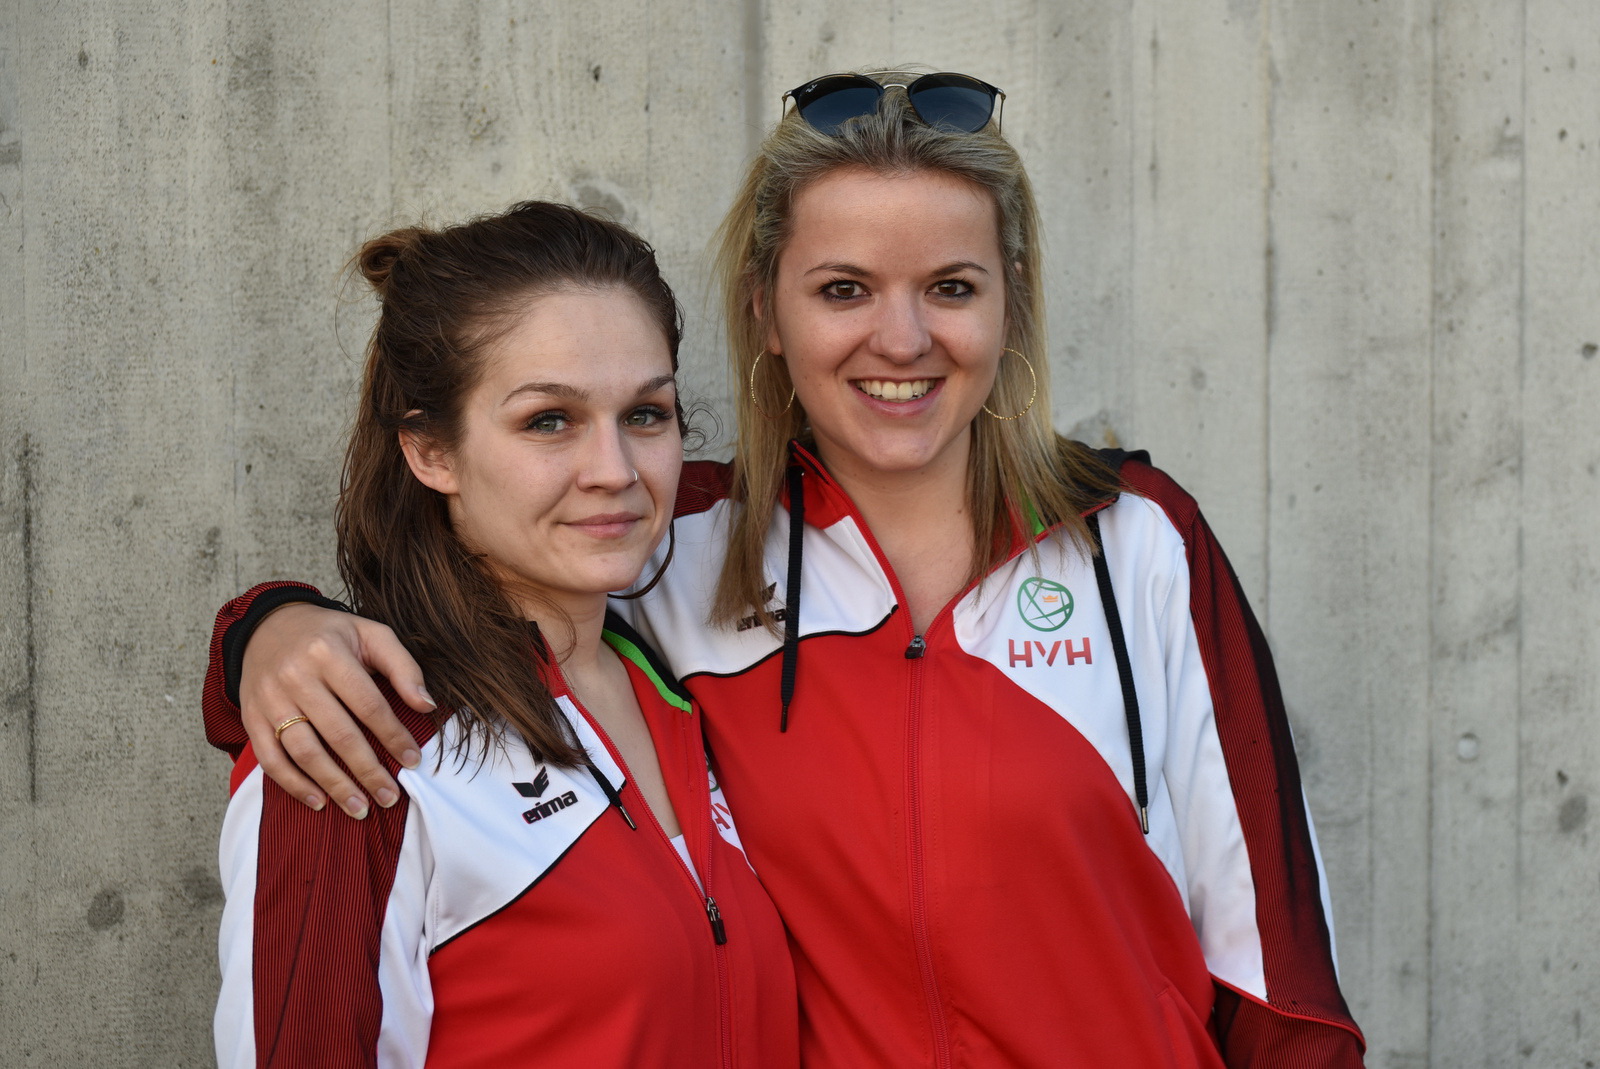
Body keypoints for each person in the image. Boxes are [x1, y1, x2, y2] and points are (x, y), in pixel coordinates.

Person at [205, 72, 1366, 1066]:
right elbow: (486, 592)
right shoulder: (678, 544)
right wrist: (266, 630)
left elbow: (1278, 976)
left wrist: (261, 628)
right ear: (766, 310)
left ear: (1009, 306)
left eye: (951, 288)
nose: (901, 341)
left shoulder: (1136, 542)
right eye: (844, 289)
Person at [208, 201, 797, 1068]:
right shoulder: (357, 746)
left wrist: (253, 619)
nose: (617, 473)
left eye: (646, 414)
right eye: (548, 420)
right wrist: (256, 628)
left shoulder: (682, 685)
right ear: (430, 452)